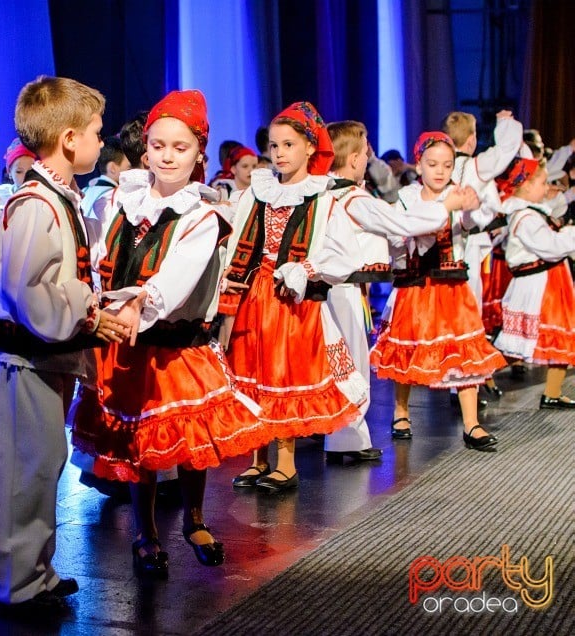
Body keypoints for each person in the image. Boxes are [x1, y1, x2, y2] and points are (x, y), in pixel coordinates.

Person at [71, 90, 269, 577]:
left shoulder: (202, 215)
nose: (166, 155)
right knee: (139, 442)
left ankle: (195, 519)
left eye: (179, 148)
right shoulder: (121, 199)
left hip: (177, 343)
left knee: (188, 439)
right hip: (126, 342)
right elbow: (98, 252)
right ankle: (145, 531)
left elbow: (176, 277)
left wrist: (142, 302)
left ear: (199, 153)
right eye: (158, 145)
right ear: (145, 150)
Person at [0, 76, 128, 612]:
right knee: (20, 467)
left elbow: (55, 279)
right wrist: (88, 315)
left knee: (40, 463)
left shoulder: (54, 198)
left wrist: (90, 306)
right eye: (96, 133)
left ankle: (32, 569)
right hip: (19, 359)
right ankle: (14, 583)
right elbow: (29, 288)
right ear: (68, 140)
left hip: (37, 357)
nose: (101, 142)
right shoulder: (37, 203)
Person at [222, 102, 368, 494]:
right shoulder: (259, 191)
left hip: (292, 302)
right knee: (253, 371)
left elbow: (345, 254)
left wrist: (305, 268)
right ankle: (258, 457)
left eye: (289, 144)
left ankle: (285, 463)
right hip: (256, 294)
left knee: (285, 372)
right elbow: (237, 236)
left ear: (309, 147)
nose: (280, 152)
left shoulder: (321, 197)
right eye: (274, 145)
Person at [322, 121, 450, 463]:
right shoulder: (354, 198)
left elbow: (388, 236)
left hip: (346, 289)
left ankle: (346, 436)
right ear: (352, 160)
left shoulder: (330, 194)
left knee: (346, 362)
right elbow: (401, 224)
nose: (368, 158)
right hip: (343, 289)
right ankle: (346, 437)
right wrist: (445, 208)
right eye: (365, 152)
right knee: (352, 364)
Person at [370, 132, 505, 451]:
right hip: (417, 283)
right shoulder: (407, 197)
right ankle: (401, 411)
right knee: (409, 347)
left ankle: (471, 423)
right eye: (432, 164)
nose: (440, 171)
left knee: (464, 351)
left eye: (447, 165)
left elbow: (473, 223)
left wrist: (473, 206)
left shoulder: (458, 194)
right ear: (419, 165)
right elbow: (399, 233)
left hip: (451, 284)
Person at [443, 110, 522, 398]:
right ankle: (464, 382)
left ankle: (461, 378)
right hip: (469, 245)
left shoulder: (441, 165)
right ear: (472, 139)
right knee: (469, 310)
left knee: (455, 311)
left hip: (448, 245)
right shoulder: (475, 166)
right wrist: (505, 123)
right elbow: (506, 150)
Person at [493, 158, 575, 407]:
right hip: (537, 285)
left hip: (551, 281)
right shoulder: (524, 218)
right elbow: (549, 246)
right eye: (541, 182)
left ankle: (552, 391)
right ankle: (479, 377)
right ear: (526, 186)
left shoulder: (534, 213)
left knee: (561, 334)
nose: (546, 187)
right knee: (517, 342)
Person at [80, 135, 129, 241]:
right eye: (129, 168)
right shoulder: (116, 197)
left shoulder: (84, 190)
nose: (132, 172)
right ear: (112, 168)